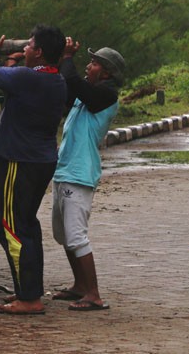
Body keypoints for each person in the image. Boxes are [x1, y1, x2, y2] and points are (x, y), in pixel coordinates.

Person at [0, 25, 67, 315]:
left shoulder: (29, 78)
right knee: (26, 225)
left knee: (10, 227)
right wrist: (13, 63)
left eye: (30, 45)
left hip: (19, 160)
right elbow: (13, 81)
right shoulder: (55, 79)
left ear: (39, 52)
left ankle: (29, 298)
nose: (26, 48)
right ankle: (27, 290)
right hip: (40, 159)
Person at [51, 41, 124, 311]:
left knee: (76, 236)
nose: (88, 66)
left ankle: (94, 294)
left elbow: (72, 80)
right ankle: (80, 286)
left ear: (106, 73)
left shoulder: (106, 96)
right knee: (64, 234)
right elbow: (66, 85)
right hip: (65, 169)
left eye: (94, 63)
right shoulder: (87, 95)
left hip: (80, 174)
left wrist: (68, 55)